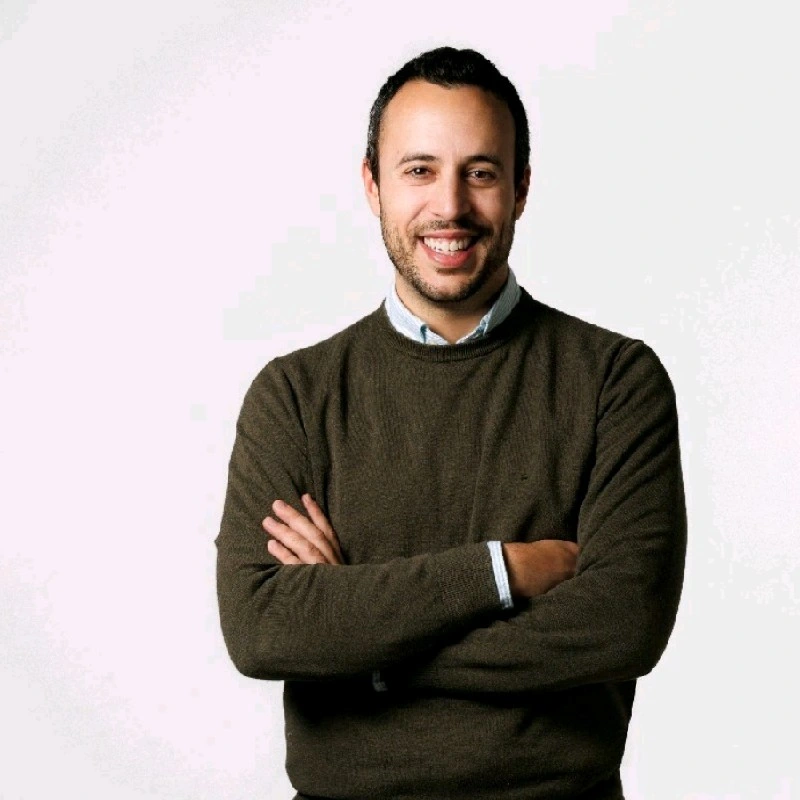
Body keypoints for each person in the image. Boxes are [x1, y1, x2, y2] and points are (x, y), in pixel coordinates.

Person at [216, 46, 687, 800]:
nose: (451, 206)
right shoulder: (294, 396)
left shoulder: (614, 381)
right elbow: (263, 628)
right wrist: (503, 571)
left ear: (521, 188)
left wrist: (365, 642)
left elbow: (622, 624)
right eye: (419, 170)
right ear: (372, 185)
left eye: (481, 172)